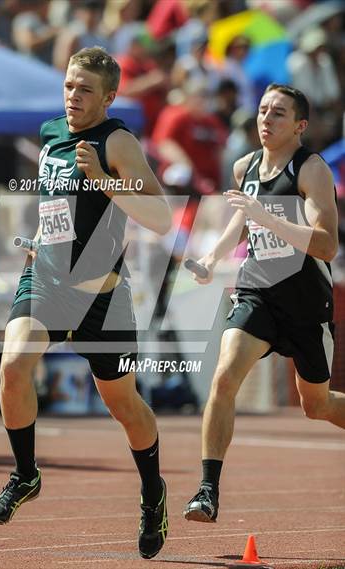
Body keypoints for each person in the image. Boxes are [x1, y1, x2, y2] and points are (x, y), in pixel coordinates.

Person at [0, 46, 172, 560]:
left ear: (108, 97)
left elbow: (160, 216)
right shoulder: (49, 135)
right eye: (68, 85)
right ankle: (25, 475)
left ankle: (152, 493)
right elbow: (57, 206)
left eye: (85, 89)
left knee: (123, 405)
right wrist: (39, 239)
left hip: (101, 300)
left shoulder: (117, 141)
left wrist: (106, 181)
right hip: (45, 281)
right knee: (14, 365)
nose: (73, 96)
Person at [183, 83, 345, 524]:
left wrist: (267, 216)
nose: (266, 119)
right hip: (257, 291)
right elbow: (241, 213)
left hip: (306, 303)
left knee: (317, 406)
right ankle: (207, 490)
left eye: (278, 113)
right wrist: (212, 258)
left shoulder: (310, 171)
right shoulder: (245, 166)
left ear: (300, 125)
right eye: (262, 110)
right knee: (223, 376)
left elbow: (327, 246)